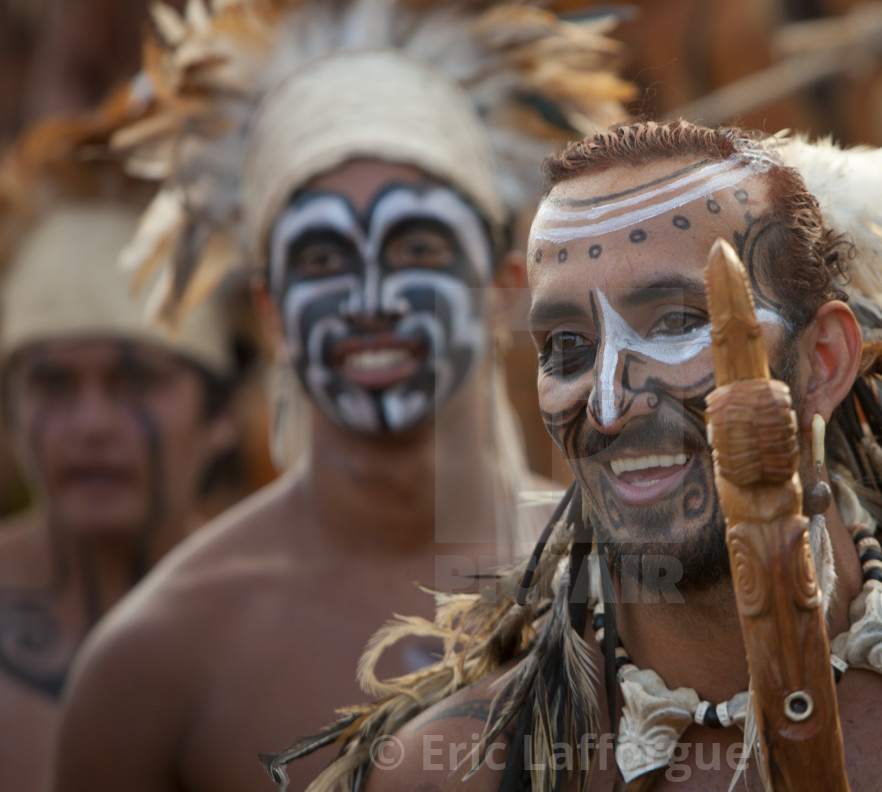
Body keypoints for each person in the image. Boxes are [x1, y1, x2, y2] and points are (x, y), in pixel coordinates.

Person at [298, 64, 882, 792]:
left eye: (679, 321)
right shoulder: (454, 772)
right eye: (568, 347)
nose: (610, 403)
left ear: (826, 360)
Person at [51, 2, 632, 791]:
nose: (370, 298)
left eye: (416, 247)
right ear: (271, 313)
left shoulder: (636, 588)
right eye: (323, 258)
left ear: (507, 285)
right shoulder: (156, 660)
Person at [0, 95, 239, 792]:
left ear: (220, 411)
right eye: (51, 384)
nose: (92, 424)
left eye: (136, 381)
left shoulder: (276, 623)